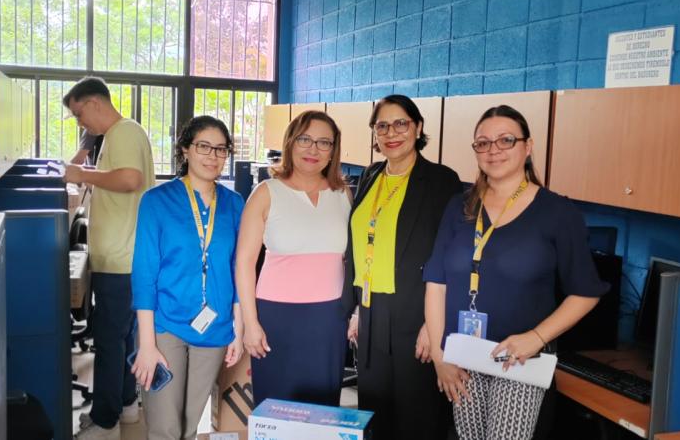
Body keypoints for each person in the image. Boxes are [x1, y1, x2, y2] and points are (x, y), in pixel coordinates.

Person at [423, 105, 608, 440]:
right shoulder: (460, 206)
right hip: (463, 354)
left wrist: (537, 338)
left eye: (506, 140)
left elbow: (586, 292)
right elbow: (436, 283)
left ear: (528, 146)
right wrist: (439, 354)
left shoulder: (558, 213)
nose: (494, 150)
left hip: (519, 358)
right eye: (483, 142)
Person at [344, 94, 461, 440]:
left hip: (416, 313)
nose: (391, 132)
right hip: (370, 312)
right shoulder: (371, 175)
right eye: (382, 125)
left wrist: (433, 325)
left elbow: (452, 257)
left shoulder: (441, 181)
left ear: (418, 127)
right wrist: (356, 309)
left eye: (401, 123)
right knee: (374, 415)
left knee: (416, 417)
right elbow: (363, 246)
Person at [130, 116, 244, 440]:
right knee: (165, 426)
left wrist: (238, 328)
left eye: (221, 149)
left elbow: (239, 269)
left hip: (217, 325)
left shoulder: (235, 205)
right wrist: (147, 343)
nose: (212, 156)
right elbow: (144, 274)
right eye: (203, 146)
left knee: (191, 425)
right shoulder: (156, 201)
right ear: (185, 150)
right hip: (165, 325)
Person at [236, 110, 351, 407]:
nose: (313, 149)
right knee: (278, 406)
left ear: (333, 150)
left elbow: (351, 261)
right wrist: (250, 323)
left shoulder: (343, 195)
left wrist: (355, 313)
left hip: (329, 318)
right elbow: (245, 262)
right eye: (305, 139)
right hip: (276, 317)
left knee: (323, 408)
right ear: (290, 143)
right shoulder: (265, 193)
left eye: (324, 142)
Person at [63, 76, 155, 440]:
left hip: (122, 258)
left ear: (95, 103)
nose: (79, 122)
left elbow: (130, 179)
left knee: (108, 339)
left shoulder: (125, 132)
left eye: (79, 113)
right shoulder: (112, 138)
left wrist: (81, 173)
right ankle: (127, 406)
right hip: (118, 257)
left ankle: (106, 420)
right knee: (121, 337)